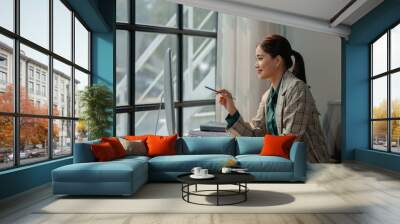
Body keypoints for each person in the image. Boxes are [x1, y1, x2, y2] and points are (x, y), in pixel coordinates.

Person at [217, 34, 329, 163]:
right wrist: (231, 109)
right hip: (283, 161)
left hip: (309, 166)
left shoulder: (297, 89)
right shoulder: (267, 96)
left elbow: (289, 140)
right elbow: (255, 134)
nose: (256, 65)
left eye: (260, 58)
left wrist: (259, 158)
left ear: (277, 61)